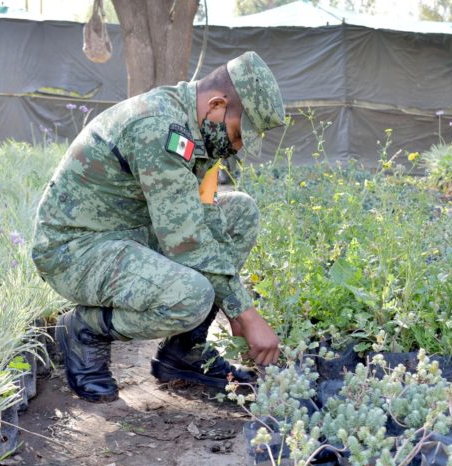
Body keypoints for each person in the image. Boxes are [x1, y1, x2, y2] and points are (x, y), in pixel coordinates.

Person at [31, 51, 284, 403]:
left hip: (127, 231)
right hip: (77, 250)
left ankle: (185, 351)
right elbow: (187, 241)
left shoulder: (196, 127)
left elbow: (202, 219)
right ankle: (84, 329)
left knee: (240, 212)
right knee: (192, 296)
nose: (237, 147)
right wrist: (247, 314)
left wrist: (234, 306)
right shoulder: (158, 127)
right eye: (238, 134)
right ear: (216, 105)